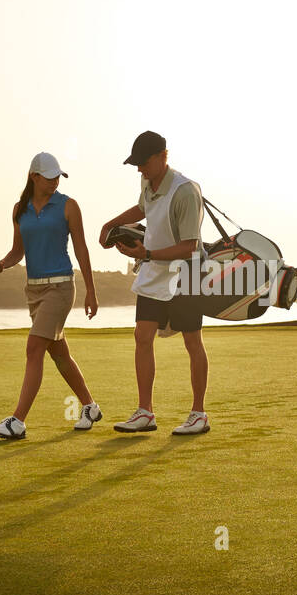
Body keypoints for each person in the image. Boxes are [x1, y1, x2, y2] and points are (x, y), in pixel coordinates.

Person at [99, 131, 210, 435]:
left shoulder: (186, 191)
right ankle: (145, 412)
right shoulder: (148, 180)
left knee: (192, 341)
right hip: (154, 268)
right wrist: (112, 223)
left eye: (143, 163)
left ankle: (199, 413)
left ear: (163, 156)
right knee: (142, 335)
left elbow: (189, 245)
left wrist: (146, 253)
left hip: (187, 272)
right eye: (136, 164)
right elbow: (143, 209)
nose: (139, 169)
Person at [0, 152, 101, 440]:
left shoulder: (68, 206)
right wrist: (2, 264)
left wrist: (91, 291)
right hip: (34, 290)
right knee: (59, 354)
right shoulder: (19, 210)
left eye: (57, 177)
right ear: (34, 177)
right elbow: (17, 251)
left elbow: (82, 250)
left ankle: (18, 421)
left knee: (34, 348)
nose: (54, 183)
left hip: (61, 288)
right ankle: (89, 406)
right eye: (49, 178)